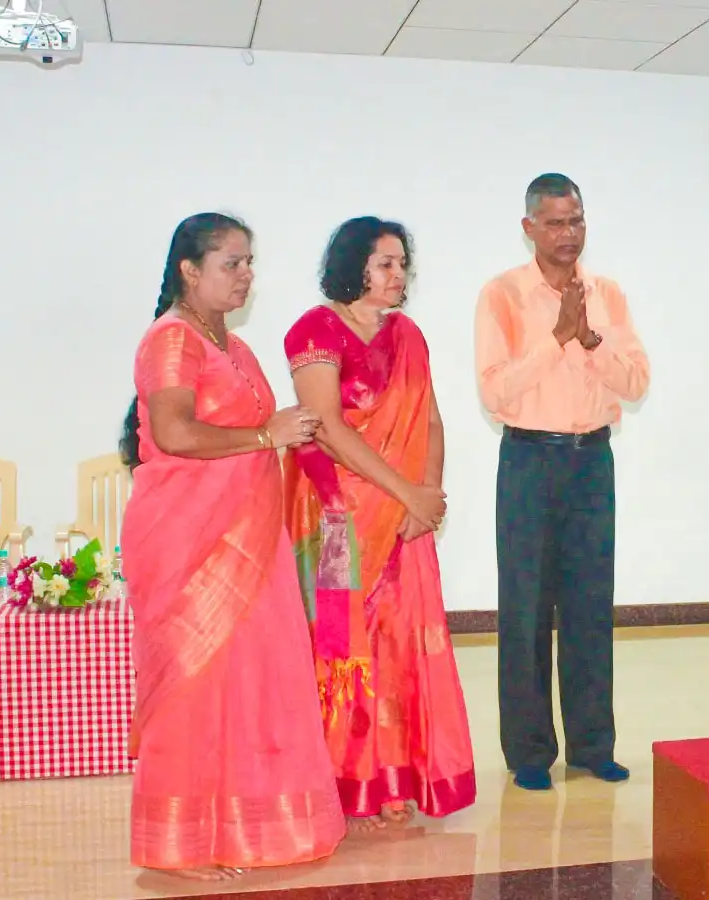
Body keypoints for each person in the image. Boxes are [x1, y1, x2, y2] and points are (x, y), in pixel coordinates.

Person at [118, 213, 345, 880]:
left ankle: (248, 828)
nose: (246, 276)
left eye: (249, 263)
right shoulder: (171, 341)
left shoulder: (233, 347)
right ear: (190, 270)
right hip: (189, 541)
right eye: (232, 264)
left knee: (249, 685)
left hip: (249, 538)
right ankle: (177, 846)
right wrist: (264, 439)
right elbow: (176, 433)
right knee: (193, 688)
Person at [284, 216, 476, 832]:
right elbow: (330, 430)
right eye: (386, 264)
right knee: (342, 644)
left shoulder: (408, 335)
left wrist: (430, 494)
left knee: (398, 643)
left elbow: (433, 421)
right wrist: (407, 495)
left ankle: (392, 778)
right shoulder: (314, 331)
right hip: (337, 516)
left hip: (401, 516)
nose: (399, 276)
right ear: (353, 266)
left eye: (402, 265)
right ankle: (339, 780)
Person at [474, 174, 650, 791]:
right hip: (528, 460)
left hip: (591, 460)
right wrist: (556, 338)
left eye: (576, 220)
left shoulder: (609, 294)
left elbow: (635, 383)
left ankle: (592, 746)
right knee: (525, 609)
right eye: (553, 222)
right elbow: (495, 393)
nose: (567, 234)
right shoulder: (501, 295)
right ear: (529, 228)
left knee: (589, 605)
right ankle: (528, 753)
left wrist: (588, 335)